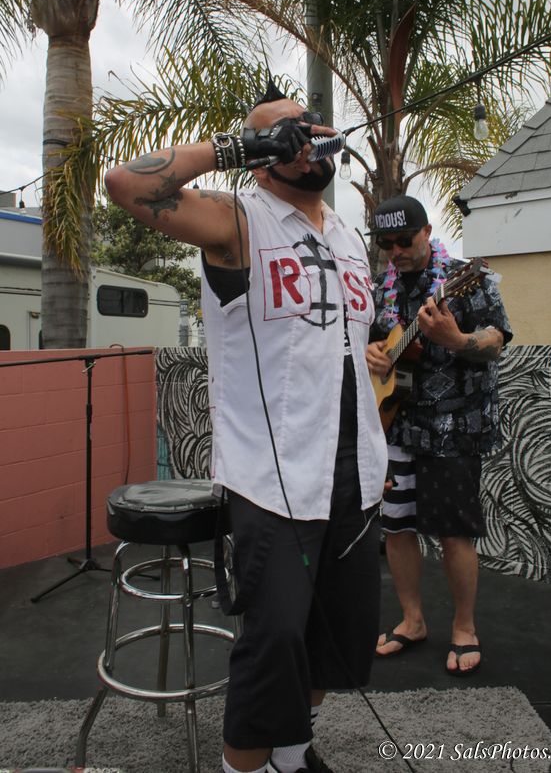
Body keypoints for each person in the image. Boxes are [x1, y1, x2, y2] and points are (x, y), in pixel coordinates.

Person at [104, 85, 388, 773]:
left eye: (309, 124)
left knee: (334, 640)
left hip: (354, 471)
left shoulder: (349, 236)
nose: (304, 136)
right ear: (262, 158)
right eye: (283, 132)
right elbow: (125, 184)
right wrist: (242, 144)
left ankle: (293, 756)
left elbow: (344, 348)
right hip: (272, 478)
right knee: (274, 644)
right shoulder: (238, 220)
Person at [365, 195, 512, 676]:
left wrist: (458, 340)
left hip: (454, 426)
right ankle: (412, 621)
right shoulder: (381, 287)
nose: (395, 251)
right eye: (386, 243)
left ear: (427, 232)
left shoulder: (467, 279)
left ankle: (464, 628)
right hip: (397, 424)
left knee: (453, 532)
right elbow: (372, 340)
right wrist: (375, 353)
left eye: (404, 240)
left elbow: (496, 339)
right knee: (396, 527)